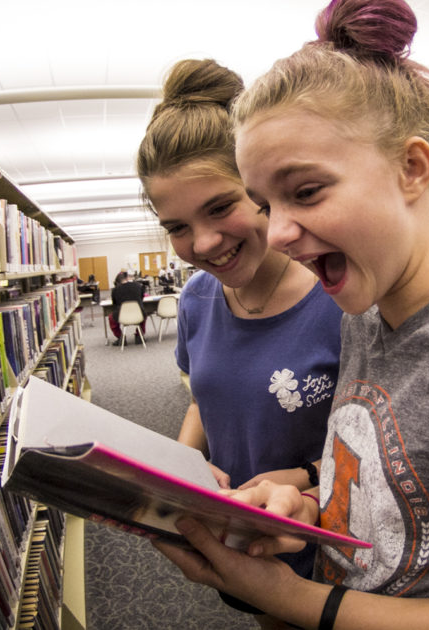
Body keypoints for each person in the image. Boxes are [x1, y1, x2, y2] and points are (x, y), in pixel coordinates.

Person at [153, 1, 429, 628]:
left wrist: (281, 595)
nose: (278, 233)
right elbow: (397, 499)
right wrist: (307, 501)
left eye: (304, 191)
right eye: (266, 202)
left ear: (412, 167)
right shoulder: (363, 311)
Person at [136, 58, 344, 625]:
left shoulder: (340, 298)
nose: (202, 243)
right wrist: (179, 465)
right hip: (242, 540)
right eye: (176, 226)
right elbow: (205, 396)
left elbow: (388, 446)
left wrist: (300, 477)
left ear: (260, 188)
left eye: (220, 207)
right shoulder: (199, 300)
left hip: (331, 546)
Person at [109, 270, 148, 345]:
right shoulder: (138, 286)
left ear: (117, 282)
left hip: (122, 316)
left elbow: (114, 304)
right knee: (144, 313)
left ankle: (121, 338)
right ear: (127, 278)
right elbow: (142, 298)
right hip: (138, 315)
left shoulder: (115, 290)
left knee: (111, 317)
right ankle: (139, 336)